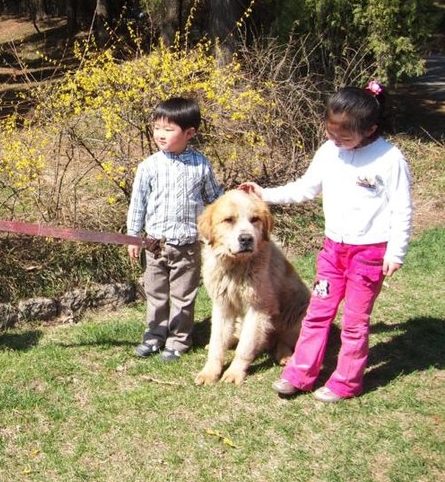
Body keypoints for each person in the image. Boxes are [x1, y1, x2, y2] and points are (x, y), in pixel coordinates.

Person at [241, 82, 412, 402]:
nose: (336, 141)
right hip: (334, 252)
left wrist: (395, 252)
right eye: (331, 133)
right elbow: (305, 188)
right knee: (318, 311)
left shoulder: (389, 159)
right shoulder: (329, 151)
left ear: (370, 129)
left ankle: (346, 382)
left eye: (344, 137)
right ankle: (300, 374)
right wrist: (265, 193)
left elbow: (402, 209)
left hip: (369, 254)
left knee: (354, 322)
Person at [126, 97, 223, 362]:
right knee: (156, 294)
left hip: (188, 246)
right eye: (157, 127)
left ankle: (179, 340)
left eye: (168, 130)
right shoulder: (148, 166)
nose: (160, 134)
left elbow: (215, 200)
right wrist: (133, 236)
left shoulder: (201, 165)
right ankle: (154, 336)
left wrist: (221, 228)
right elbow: (138, 204)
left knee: (183, 296)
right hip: (155, 246)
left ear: (189, 133)